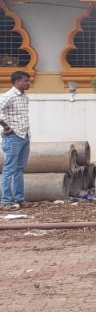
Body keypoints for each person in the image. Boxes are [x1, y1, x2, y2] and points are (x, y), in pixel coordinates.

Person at [0, 71, 30, 210]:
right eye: (25, 81)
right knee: (9, 169)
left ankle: (19, 198)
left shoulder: (24, 97)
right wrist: (6, 126)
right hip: (12, 137)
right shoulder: (8, 96)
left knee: (19, 169)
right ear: (17, 81)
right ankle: (5, 201)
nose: (28, 83)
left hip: (24, 136)